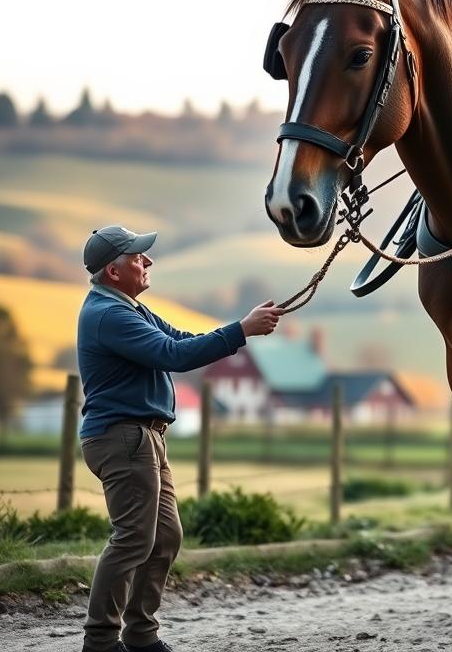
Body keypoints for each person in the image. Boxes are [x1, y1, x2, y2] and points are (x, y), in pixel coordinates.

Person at [76, 225, 282, 652]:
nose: (147, 262)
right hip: (123, 438)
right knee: (133, 538)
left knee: (165, 537)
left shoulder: (129, 308)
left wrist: (240, 328)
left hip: (144, 438)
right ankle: (100, 642)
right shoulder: (109, 315)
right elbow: (174, 356)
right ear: (114, 271)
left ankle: (141, 636)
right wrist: (241, 331)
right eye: (138, 257)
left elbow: (181, 341)